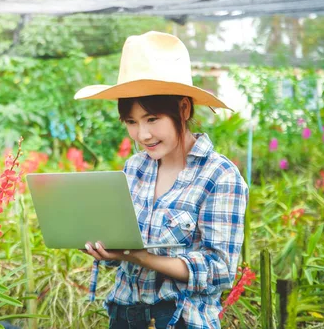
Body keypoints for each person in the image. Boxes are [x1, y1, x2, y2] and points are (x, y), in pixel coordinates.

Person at [74, 31, 248, 329]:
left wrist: (142, 257)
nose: (142, 135)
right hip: (124, 316)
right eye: (132, 122)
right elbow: (121, 253)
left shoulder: (219, 176)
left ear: (183, 108)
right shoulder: (135, 168)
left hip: (180, 319)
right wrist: (104, 247)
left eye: (152, 119)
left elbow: (220, 270)